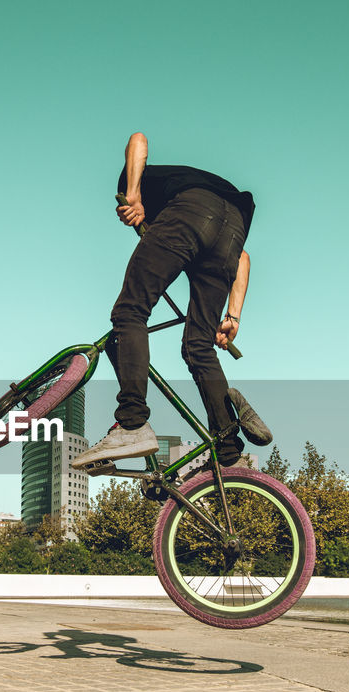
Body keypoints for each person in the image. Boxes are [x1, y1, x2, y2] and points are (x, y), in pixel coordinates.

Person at [72, 132, 269, 472]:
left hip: (191, 211)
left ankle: (132, 424)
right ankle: (227, 446)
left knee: (130, 312)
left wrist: (133, 194)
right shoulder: (202, 200)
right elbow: (243, 259)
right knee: (198, 346)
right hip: (233, 230)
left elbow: (138, 140)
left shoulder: (147, 185)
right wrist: (232, 318)